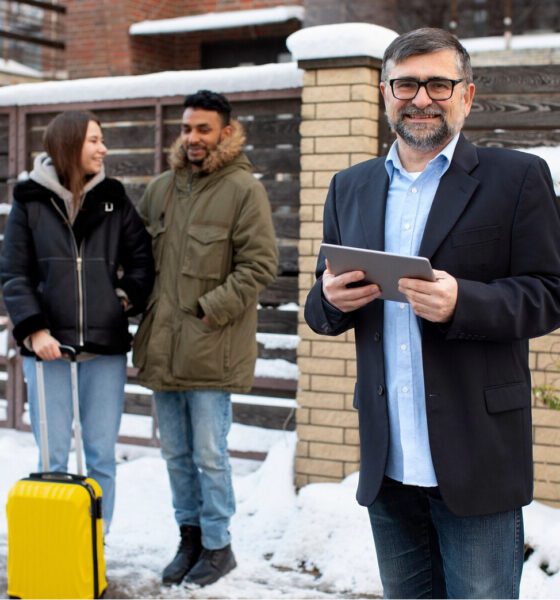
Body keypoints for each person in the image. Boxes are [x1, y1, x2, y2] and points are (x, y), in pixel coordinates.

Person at [304, 28, 560, 599]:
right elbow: (320, 308)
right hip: (388, 462)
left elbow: (550, 293)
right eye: (407, 83)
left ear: (467, 95)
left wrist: (463, 302)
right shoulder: (350, 186)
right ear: (384, 93)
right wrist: (329, 300)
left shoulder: (516, 178)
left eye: (439, 84)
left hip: (476, 458)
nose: (421, 97)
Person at [132, 89, 278, 588]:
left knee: (210, 455)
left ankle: (219, 546)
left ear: (226, 131)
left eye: (203, 129)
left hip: (210, 347)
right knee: (175, 454)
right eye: (187, 128)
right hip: (162, 347)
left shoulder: (243, 190)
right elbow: (138, 262)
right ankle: (189, 536)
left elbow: (260, 265)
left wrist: (208, 311)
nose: (193, 138)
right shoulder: (161, 189)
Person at [0, 110, 154, 532]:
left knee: (101, 454)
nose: (103, 148)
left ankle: (92, 549)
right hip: (47, 351)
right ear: (69, 145)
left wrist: (120, 299)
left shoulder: (114, 198)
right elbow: (14, 273)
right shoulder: (30, 200)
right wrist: (35, 330)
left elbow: (142, 262)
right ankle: (54, 549)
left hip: (104, 351)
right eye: (94, 140)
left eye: (102, 139)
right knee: (51, 457)